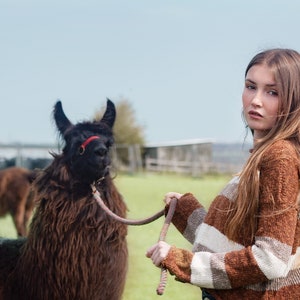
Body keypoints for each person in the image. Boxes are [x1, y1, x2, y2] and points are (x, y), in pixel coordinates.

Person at [146, 48, 300, 299]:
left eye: (272, 92)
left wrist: (184, 262)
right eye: (251, 87)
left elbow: (270, 258)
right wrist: (186, 211)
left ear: (293, 100)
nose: (256, 100)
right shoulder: (267, 154)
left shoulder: (279, 157)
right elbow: (236, 243)